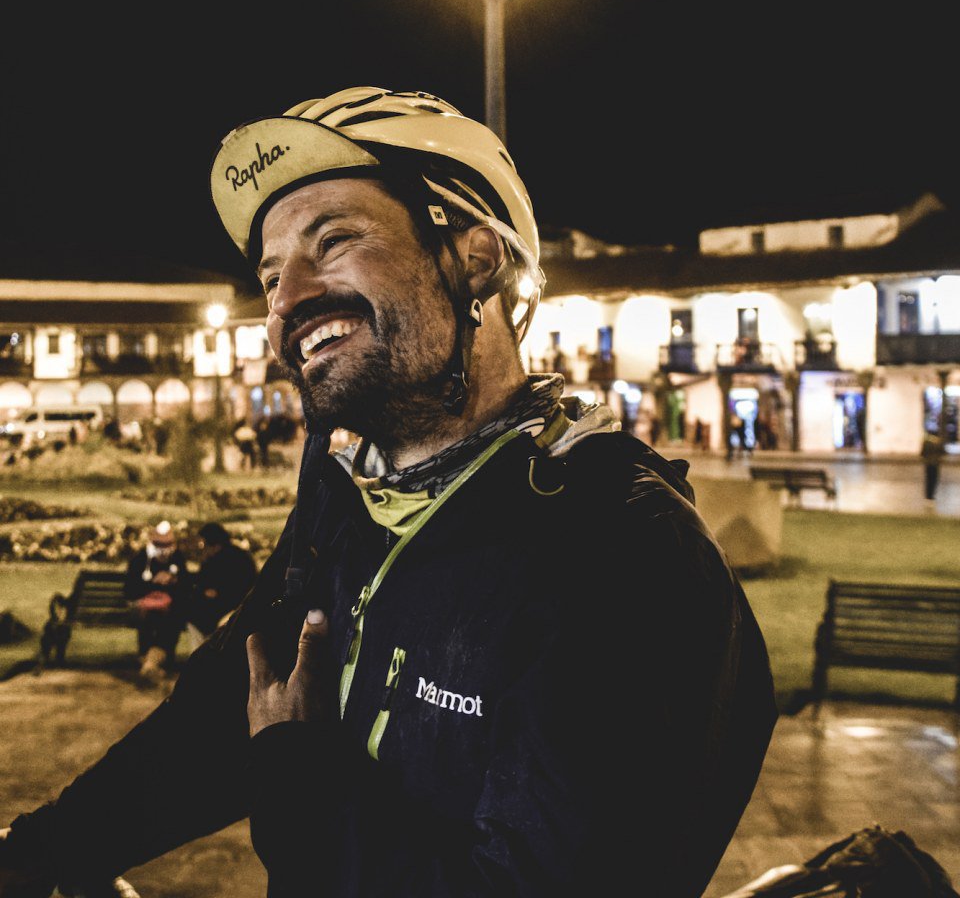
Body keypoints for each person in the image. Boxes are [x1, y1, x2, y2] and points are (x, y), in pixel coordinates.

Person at [0, 87, 777, 898]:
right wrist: (43, 852)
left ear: (477, 259)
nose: (285, 302)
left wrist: (298, 783)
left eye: (333, 241)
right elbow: (231, 708)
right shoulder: (347, 505)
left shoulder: (622, 550)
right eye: (271, 276)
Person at [122, 520, 190, 683]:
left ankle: (148, 661)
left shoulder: (177, 559)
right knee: (157, 619)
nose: (164, 549)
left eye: (167, 544)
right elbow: (130, 591)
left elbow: (186, 588)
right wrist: (153, 583)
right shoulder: (140, 560)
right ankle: (153, 662)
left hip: (169, 611)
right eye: (160, 544)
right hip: (146, 610)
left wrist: (173, 581)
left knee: (170, 618)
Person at [185, 523, 258, 650]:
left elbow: (238, 589)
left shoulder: (237, 559)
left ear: (214, 545)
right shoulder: (215, 559)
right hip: (217, 609)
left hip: (234, 609)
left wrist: (213, 593)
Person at [920, 429, 946, 502]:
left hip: (928, 463)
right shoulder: (939, 442)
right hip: (936, 463)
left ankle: (927, 495)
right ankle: (932, 495)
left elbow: (922, 453)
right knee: (934, 479)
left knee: (928, 479)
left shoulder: (926, 442)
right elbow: (943, 452)